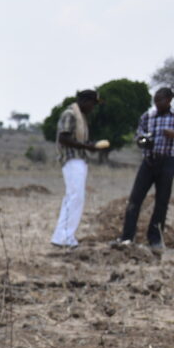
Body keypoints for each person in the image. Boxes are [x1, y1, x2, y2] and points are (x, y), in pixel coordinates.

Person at [114, 87, 174, 251]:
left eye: (160, 100)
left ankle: (155, 239)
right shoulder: (148, 116)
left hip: (168, 161)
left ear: (169, 100)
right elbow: (139, 135)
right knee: (135, 199)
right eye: (155, 100)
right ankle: (126, 237)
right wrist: (143, 141)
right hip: (149, 161)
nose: (157, 103)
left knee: (162, 201)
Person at [50, 89, 105, 249]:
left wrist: (89, 145)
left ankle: (62, 236)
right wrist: (86, 146)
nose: (92, 108)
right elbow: (63, 138)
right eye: (92, 104)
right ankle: (65, 237)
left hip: (78, 159)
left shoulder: (79, 116)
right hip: (72, 159)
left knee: (73, 197)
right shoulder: (70, 114)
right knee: (75, 197)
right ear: (85, 101)